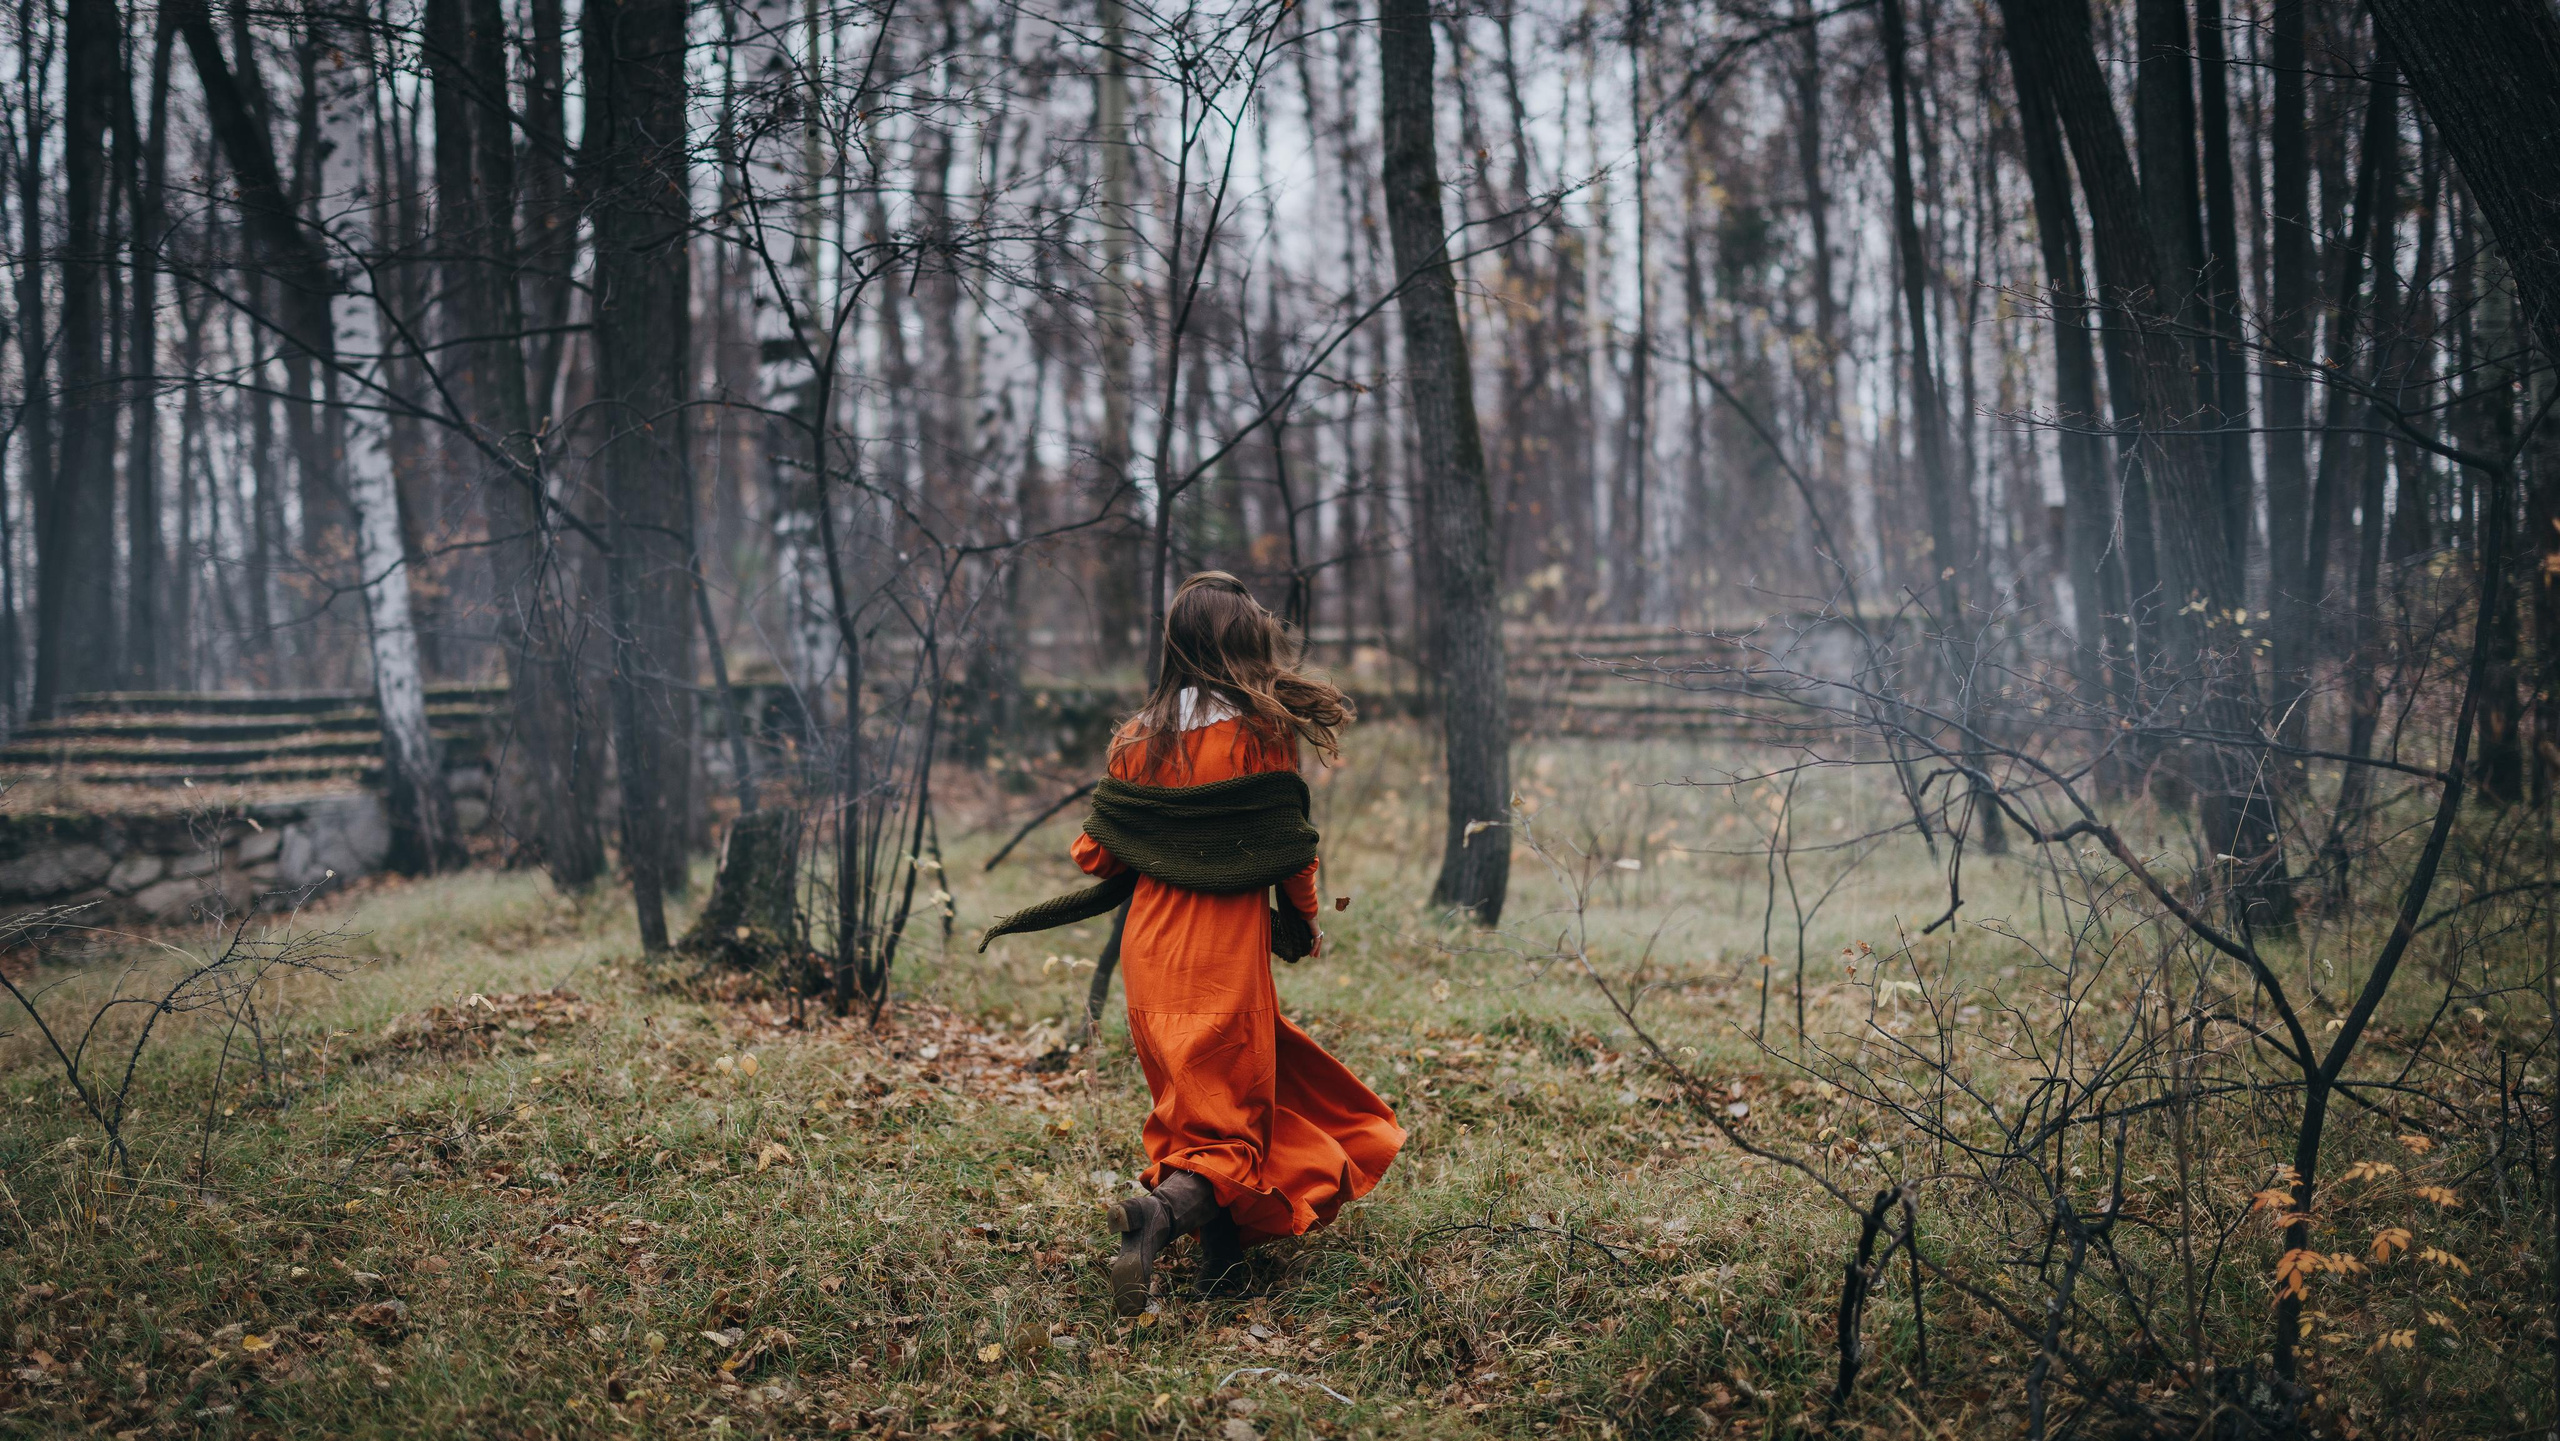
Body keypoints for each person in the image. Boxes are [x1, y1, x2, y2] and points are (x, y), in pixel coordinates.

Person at [983, 571, 1404, 1311]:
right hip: (1222, 963)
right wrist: (1303, 924)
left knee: (1199, 1119)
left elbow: (1096, 854)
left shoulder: (1135, 739)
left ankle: (1223, 1271)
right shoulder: (1264, 733)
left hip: (1151, 962)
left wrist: (1155, 825)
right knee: (1230, 1129)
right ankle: (1160, 1214)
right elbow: (1291, 849)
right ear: (1242, 645)